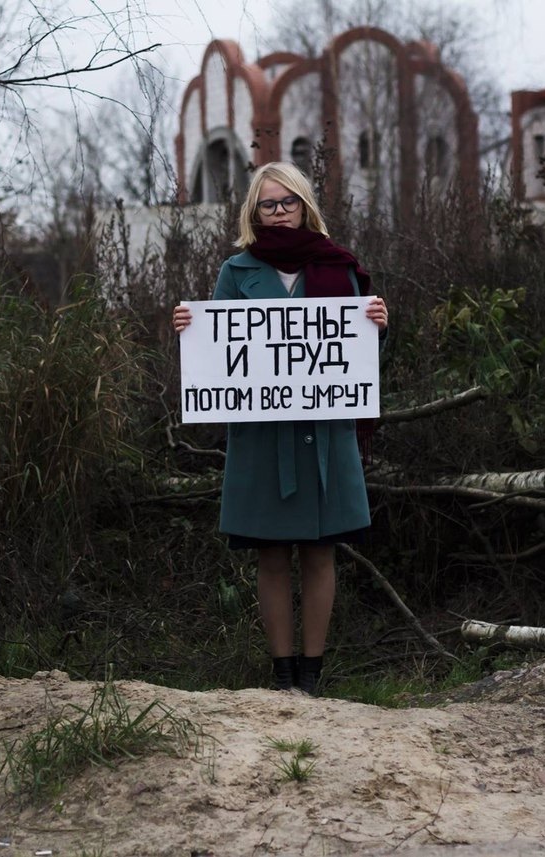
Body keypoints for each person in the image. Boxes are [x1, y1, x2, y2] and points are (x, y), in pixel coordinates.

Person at [173, 162, 388, 695]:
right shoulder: (235, 271)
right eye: (268, 204)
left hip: (324, 434)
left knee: (321, 552)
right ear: (254, 211)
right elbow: (218, 355)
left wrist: (377, 327)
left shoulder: (341, 269)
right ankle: (282, 676)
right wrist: (188, 330)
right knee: (270, 554)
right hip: (262, 438)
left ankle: (312, 678)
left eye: (287, 202)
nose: (278, 212)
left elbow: (355, 360)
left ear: (304, 205)